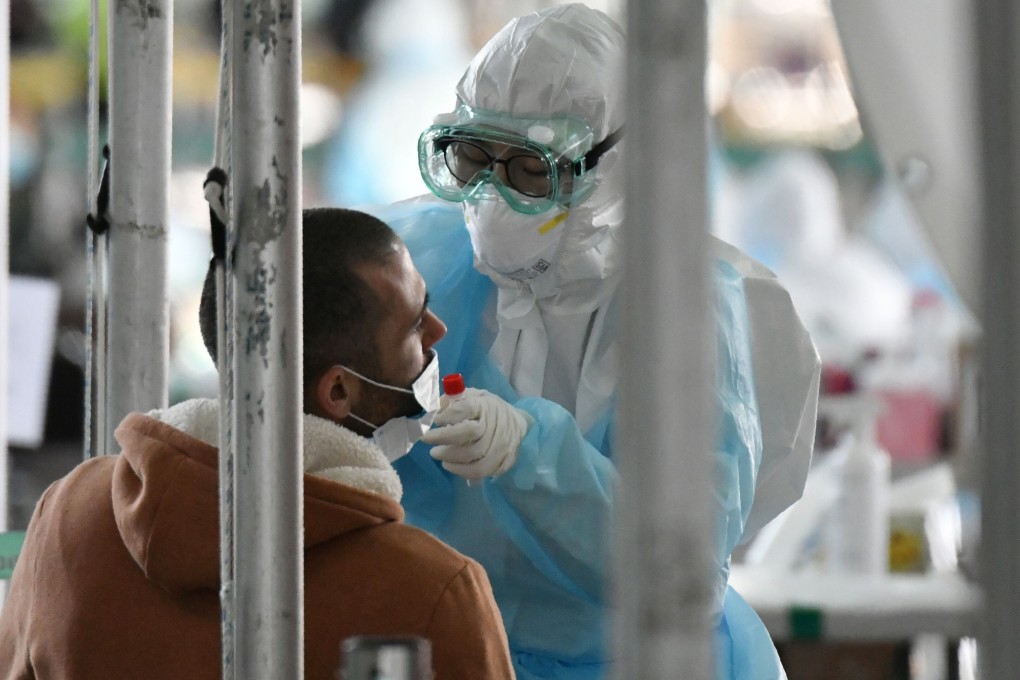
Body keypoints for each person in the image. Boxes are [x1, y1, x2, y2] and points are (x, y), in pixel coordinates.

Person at [363, 4, 821, 680]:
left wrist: (532, 452)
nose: (490, 195)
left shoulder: (685, 316)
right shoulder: (425, 268)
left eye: (529, 169)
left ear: (616, 163)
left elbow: (682, 571)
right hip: (453, 655)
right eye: (471, 158)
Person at [0, 208, 516, 680]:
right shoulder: (431, 593)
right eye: (414, 324)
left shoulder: (68, 511)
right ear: (338, 390)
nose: (439, 331)